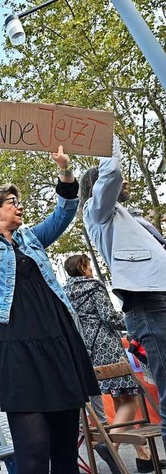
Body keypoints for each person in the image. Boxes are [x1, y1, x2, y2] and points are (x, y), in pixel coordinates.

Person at [0, 138, 99, 473]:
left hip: (56, 341)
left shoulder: (34, 238)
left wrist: (64, 168)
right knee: (34, 452)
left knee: (65, 451)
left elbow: (66, 209)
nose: (19, 206)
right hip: (13, 346)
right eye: (13, 202)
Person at [81, 140, 166, 453]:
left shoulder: (129, 219)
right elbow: (112, 171)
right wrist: (106, 136)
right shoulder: (98, 211)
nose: (125, 179)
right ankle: (116, 444)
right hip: (147, 305)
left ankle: (129, 449)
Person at [63, 254, 166, 473]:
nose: (91, 269)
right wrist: (131, 323)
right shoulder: (93, 287)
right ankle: (111, 445)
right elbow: (108, 316)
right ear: (82, 267)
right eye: (88, 265)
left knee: (121, 400)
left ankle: (143, 456)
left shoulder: (67, 292)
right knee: (132, 396)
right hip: (107, 345)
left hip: (88, 349)